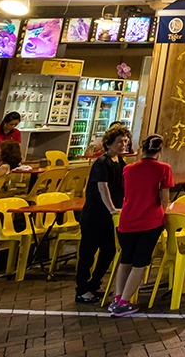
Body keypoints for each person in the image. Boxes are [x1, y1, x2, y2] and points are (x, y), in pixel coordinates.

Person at [109, 134, 172, 317]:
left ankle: (118, 297)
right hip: (149, 221)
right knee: (140, 263)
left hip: (127, 221)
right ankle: (124, 302)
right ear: (159, 151)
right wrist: (166, 208)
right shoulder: (163, 169)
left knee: (126, 259)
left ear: (142, 149)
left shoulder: (128, 169)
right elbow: (164, 198)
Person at [75, 125, 128, 303]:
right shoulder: (102, 162)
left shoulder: (120, 162)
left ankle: (94, 284)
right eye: (119, 142)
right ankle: (81, 289)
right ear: (109, 143)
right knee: (88, 252)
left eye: (125, 141)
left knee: (109, 250)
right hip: (95, 214)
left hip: (109, 217)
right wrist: (112, 208)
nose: (123, 145)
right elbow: (102, 187)